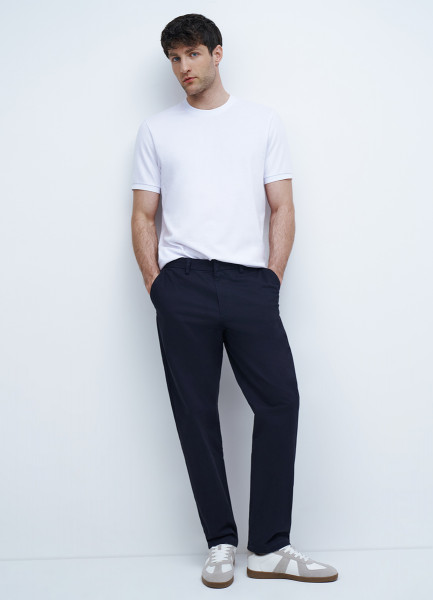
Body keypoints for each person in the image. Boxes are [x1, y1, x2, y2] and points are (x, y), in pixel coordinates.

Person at [130, 13, 338, 589]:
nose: (183, 67)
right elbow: (143, 214)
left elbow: (282, 206)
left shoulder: (261, 122)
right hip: (184, 284)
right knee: (196, 413)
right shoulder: (156, 130)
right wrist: (157, 285)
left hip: (250, 283)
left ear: (217, 53)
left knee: (280, 403)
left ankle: (269, 547)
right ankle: (220, 541)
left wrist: (272, 278)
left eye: (192, 54)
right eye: (174, 59)